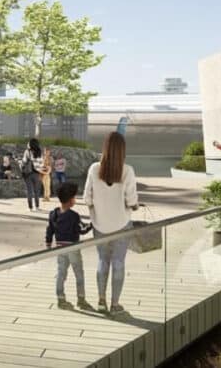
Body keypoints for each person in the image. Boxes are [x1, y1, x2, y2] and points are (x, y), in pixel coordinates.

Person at [83, 131, 138, 315]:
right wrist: (132, 207)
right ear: (122, 150)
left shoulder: (93, 169)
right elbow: (131, 201)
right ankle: (115, 304)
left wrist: (96, 211)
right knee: (118, 262)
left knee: (102, 261)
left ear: (105, 148)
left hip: (99, 225)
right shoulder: (127, 170)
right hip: (121, 224)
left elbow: (86, 198)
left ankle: (101, 301)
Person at [46, 181, 94, 311]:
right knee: (79, 273)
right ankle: (81, 299)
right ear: (70, 200)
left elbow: (49, 230)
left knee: (61, 273)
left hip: (60, 247)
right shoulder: (74, 216)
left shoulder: (53, 214)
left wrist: (48, 243)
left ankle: (60, 298)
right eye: (74, 197)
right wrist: (92, 224)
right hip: (73, 247)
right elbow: (82, 230)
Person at [20, 138, 45, 212]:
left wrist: (20, 164)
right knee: (36, 191)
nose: (27, 144)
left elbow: (24, 161)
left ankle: (30, 207)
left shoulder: (27, 151)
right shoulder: (40, 152)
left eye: (28, 143)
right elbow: (42, 163)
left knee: (29, 191)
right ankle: (37, 207)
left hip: (28, 173)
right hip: (37, 174)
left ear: (30, 144)